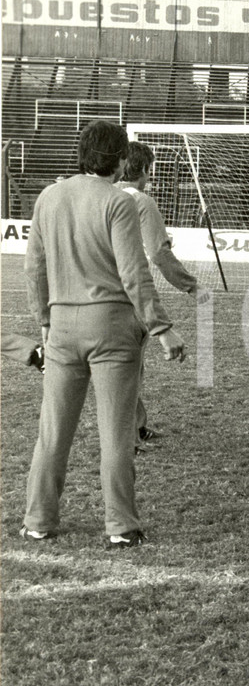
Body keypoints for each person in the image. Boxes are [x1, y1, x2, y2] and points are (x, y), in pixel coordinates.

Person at [21, 120, 185, 548]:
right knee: (116, 432)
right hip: (112, 328)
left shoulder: (48, 197)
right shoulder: (119, 203)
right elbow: (134, 274)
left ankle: (38, 520)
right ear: (120, 159)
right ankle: (121, 526)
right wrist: (162, 328)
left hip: (61, 327)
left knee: (52, 432)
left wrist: (45, 320)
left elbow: (33, 268)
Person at [116, 141, 209, 445]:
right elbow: (158, 253)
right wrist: (191, 285)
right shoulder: (141, 201)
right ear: (143, 169)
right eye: (150, 169)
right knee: (127, 370)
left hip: (92, 293)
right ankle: (127, 437)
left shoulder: (103, 194)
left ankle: (136, 426)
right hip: (128, 295)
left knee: (124, 368)